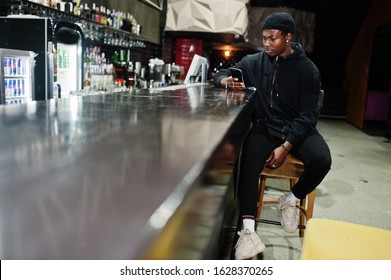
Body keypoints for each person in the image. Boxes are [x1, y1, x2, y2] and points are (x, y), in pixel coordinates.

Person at [213, 12, 332, 260]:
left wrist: (286, 147)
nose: (266, 43)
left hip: (298, 128)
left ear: (288, 37)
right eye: (264, 38)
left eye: (272, 38)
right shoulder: (255, 61)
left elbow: (308, 115)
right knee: (248, 160)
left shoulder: (308, 70)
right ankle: (247, 233)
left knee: (322, 160)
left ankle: (290, 198)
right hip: (267, 126)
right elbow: (221, 74)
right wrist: (226, 82)